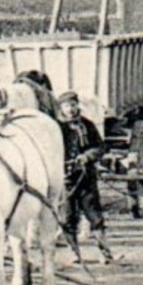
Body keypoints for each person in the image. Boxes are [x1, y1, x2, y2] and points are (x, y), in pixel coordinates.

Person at [56, 92, 114, 265]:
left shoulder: (87, 125)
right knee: (67, 218)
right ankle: (75, 253)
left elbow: (100, 147)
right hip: (65, 181)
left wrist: (87, 157)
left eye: (73, 105)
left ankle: (105, 252)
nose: (71, 109)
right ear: (61, 108)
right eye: (67, 106)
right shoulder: (57, 128)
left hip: (86, 178)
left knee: (95, 216)